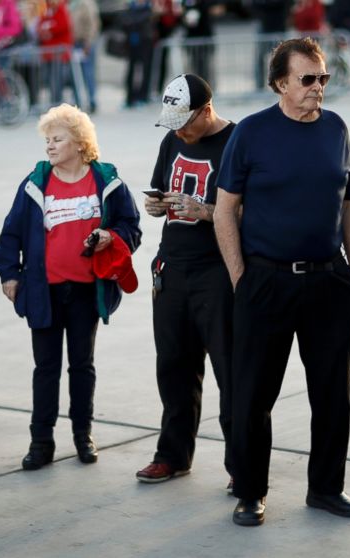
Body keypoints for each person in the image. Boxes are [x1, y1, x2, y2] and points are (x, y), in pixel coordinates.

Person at [213, 37, 350, 527]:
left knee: (331, 393)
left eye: (323, 78)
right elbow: (225, 210)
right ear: (281, 83)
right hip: (266, 282)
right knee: (254, 394)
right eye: (307, 79)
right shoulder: (252, 133)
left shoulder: (337, 129)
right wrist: (241, 278)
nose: (318, 88)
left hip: (328, 284)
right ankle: (250, 491)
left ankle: (326, 489)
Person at [0, 104, 141, 471]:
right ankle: (40, 442)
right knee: (46, 368)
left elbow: (131, 226)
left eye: (57, 139)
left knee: (82, 366)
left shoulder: (106, 181)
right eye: (47, 140)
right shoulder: (35, 182)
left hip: (87, 292)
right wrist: (9, 274)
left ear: (79, 143)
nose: (49, 146)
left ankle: (82, 435)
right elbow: (11, 232)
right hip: (44, 291)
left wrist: (111, 235)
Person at [135, 74, 234, 486]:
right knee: (173, 367)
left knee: (232, 372)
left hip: (218, 270)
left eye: (185, 122)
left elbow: (257, 210)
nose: (179, 131)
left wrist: (207, 211)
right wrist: (156, 205)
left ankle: (241, 466)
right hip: (172, 267)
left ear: (206, 111)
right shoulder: (172, 138)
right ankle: (173, 454)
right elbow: (160, 190)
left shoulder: (237, 142)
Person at [69, 0, 101, 113]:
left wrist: (89, 42)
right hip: (75, 43)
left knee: (88, 73)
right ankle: (77, 100)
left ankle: (92, 101)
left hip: (85, 42)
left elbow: (92, 24)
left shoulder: (86, 3)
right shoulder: (72, 4)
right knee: (76, 73)